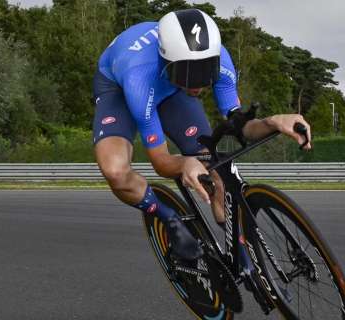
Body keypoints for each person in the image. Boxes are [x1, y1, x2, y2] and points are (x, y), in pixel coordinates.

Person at [93, 9, 311, 260]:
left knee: (214, 164)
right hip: (119, 87)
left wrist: (274, 122)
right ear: (167, 61)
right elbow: (161, 162)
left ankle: (240, 253)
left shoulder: (219, 58)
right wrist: (185, 162)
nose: (197, 84)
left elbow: (240, 125)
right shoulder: (137, 79)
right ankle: (169, 218)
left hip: (171, 87)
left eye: (204, 71)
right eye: (188, 73)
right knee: (115, 171)